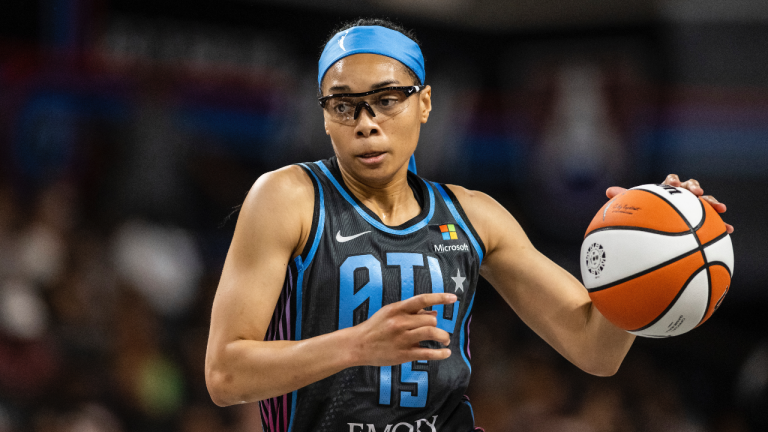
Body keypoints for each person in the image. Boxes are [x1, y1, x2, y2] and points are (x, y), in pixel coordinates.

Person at [205, 18, 733, 432]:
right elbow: (226, 374)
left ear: (425, 103)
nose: (366, 122)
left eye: (387, 100)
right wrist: (356, 346)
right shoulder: (288, 197)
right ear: (324, 117)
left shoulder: (474, 215)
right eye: (344, 105)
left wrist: (644, 262)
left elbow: (594, 350)